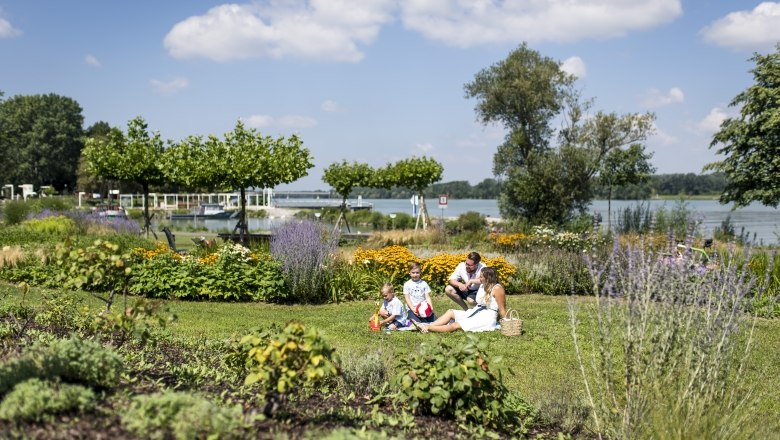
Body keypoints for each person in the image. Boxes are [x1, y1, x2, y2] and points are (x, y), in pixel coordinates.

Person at [418, 267, 506, 333]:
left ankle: (428, 328)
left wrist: (507, 322)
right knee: (450, 312)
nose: (479, 278)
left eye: (481, 276)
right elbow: (476, 281)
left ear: (488, 278)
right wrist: (470, 281)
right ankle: (428, 325)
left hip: (487, 317)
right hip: (477, 311)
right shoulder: (484, 283)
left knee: (455, 325)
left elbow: (502, 309)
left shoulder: (497, 289)